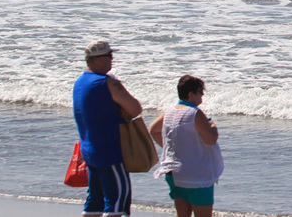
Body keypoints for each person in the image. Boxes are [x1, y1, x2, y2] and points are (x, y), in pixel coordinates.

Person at [73, 40, 143, 217]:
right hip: (109, 151)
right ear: (101, 59)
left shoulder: (80, 82)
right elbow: (135, 109)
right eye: (110, 56)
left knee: (94, 203)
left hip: (89, 151)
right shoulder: (107, 83)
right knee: (117, 202)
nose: (112, 60)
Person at [149, 75, 223, 217]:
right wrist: (213, 126)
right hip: (196, 175)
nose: (202, 95)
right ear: (191, 94)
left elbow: (153, 129)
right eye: (200, 91)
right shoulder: (195, 113)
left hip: (174, 172)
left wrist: (174, 148)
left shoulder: (170, 111)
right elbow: (211, 139)